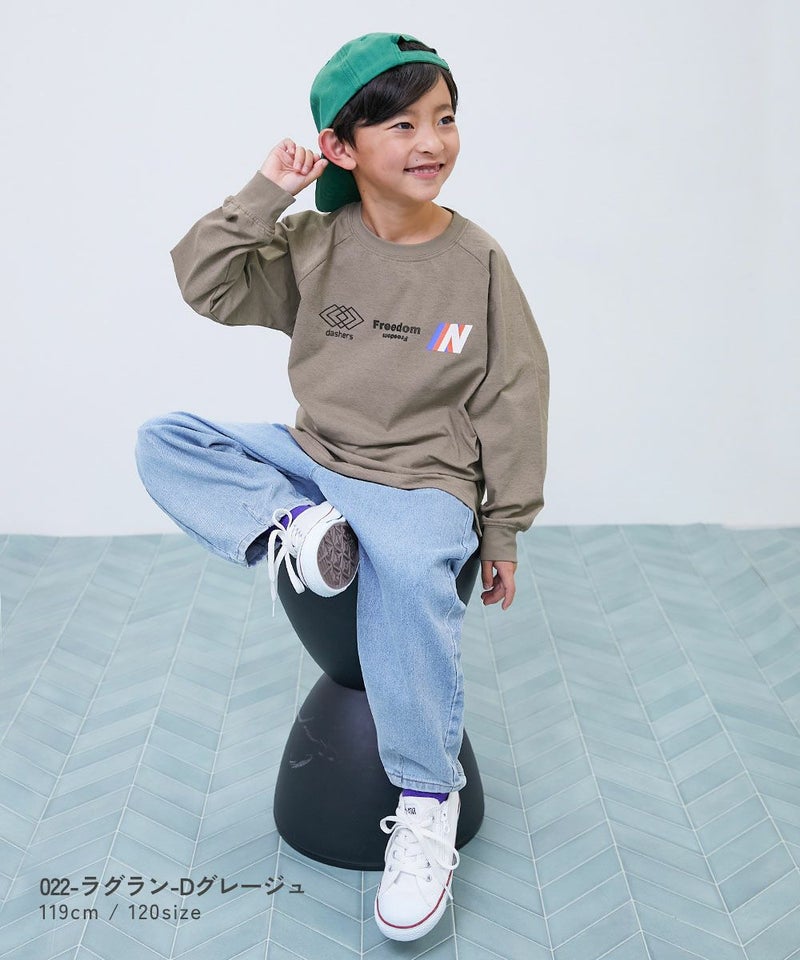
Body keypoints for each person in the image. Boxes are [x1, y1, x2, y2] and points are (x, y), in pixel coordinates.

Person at [135, 32, 549, 942]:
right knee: (164, 439)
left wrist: (505, 528)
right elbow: (203, 283)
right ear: (341, 146)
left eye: (444, 118)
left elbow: (515, 394)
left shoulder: (477, 262)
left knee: (408, 575)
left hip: (422, 481)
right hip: (316, 461)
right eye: (401, 124)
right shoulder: (313, 245)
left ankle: (426, 802)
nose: (430, 141)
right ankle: (296, 525)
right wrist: (266, 193)